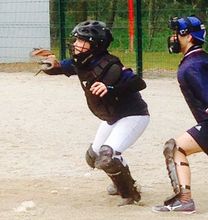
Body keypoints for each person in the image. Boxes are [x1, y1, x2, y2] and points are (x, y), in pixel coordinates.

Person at [38, 20, 150, 206]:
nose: (75, 44)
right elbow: (58, 67)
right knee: (94, 156)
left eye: (82, 41)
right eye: (76, 40)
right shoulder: (82, 62)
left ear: (95, 45)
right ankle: (121, 180)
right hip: (112, 117)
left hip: (133, 115)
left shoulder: (111, 64)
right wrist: (49, 63)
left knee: (107, 156)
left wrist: (110, 87)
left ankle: (130, 193)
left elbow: (139, 83)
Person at [152, 15, 208, 214]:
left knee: (175, 148)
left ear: (189, 37)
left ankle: (184, 200)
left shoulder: (193, 66)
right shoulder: (201, 59)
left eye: (176, 34)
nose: (173, 38)